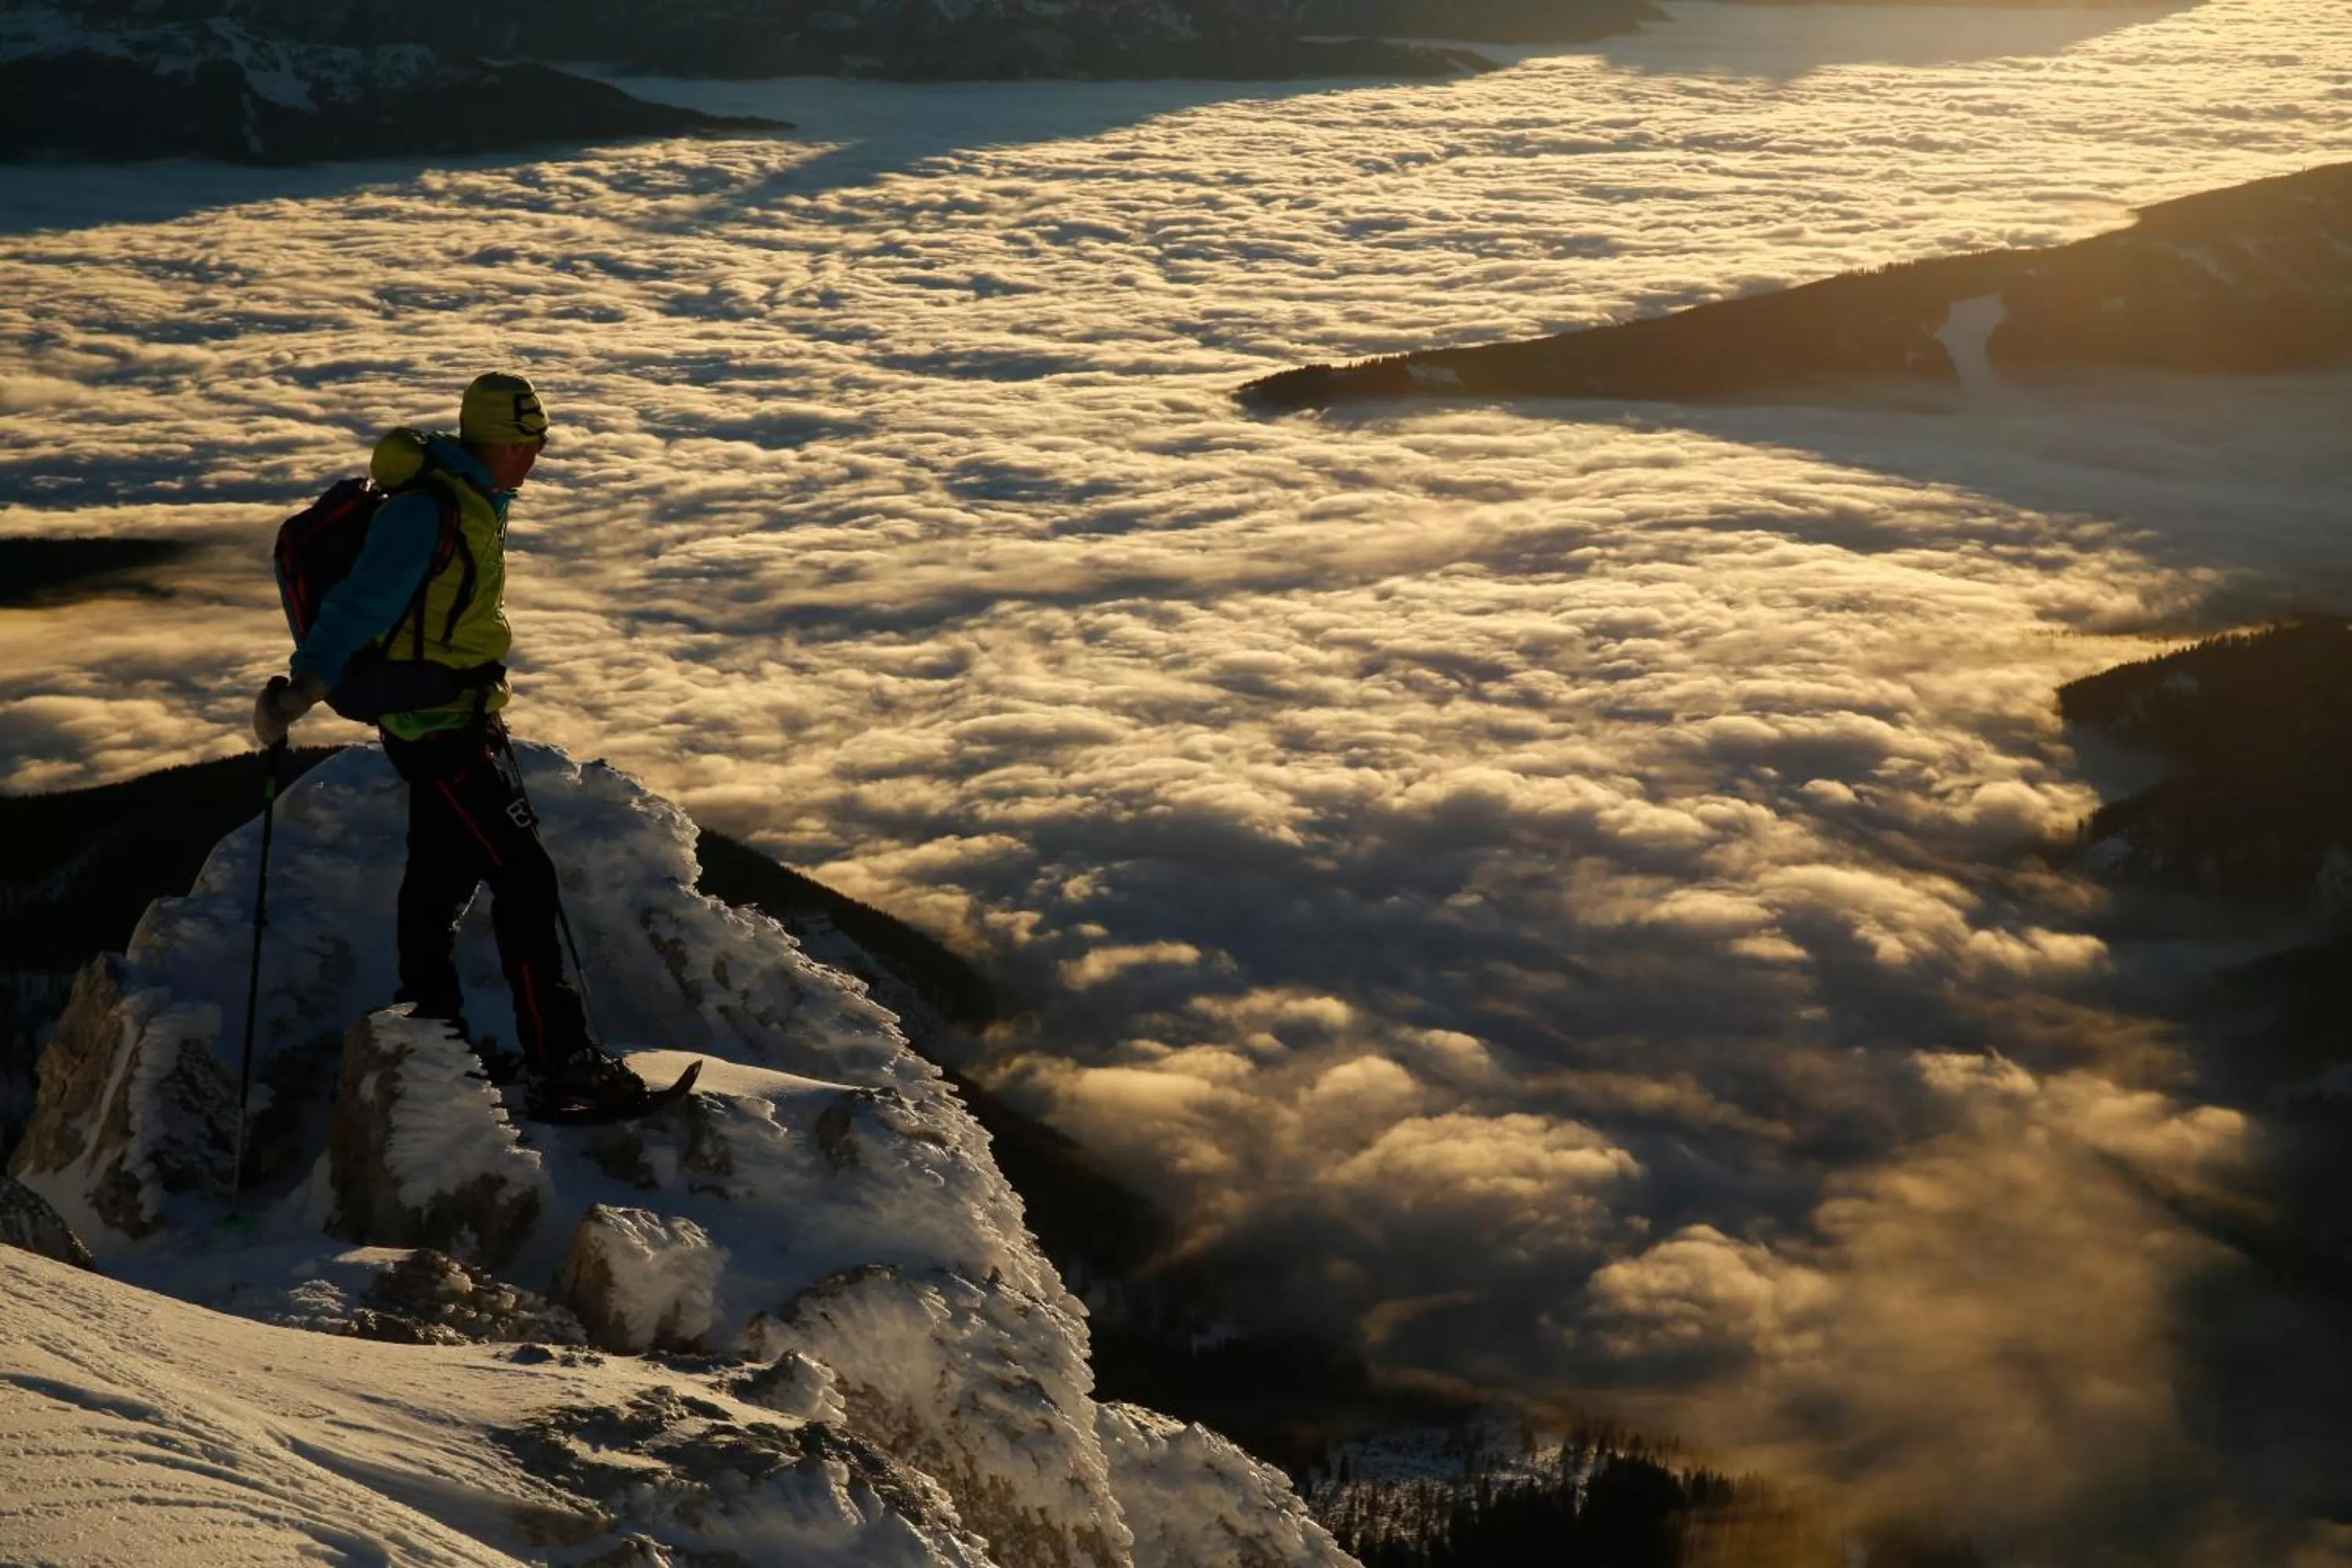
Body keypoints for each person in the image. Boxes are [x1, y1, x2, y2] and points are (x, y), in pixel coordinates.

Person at [252, 372, 644, 1114]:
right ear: (485, 440)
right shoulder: (426, 513)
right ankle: (562, 1067)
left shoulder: (476, 503)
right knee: (525, 881)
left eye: (539, 444)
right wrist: (303, 687)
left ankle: (431, 1039)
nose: (531, 459)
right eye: (520, 444)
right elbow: (358, 604)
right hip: (435, 731)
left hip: (450, 718)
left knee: (438, 881)